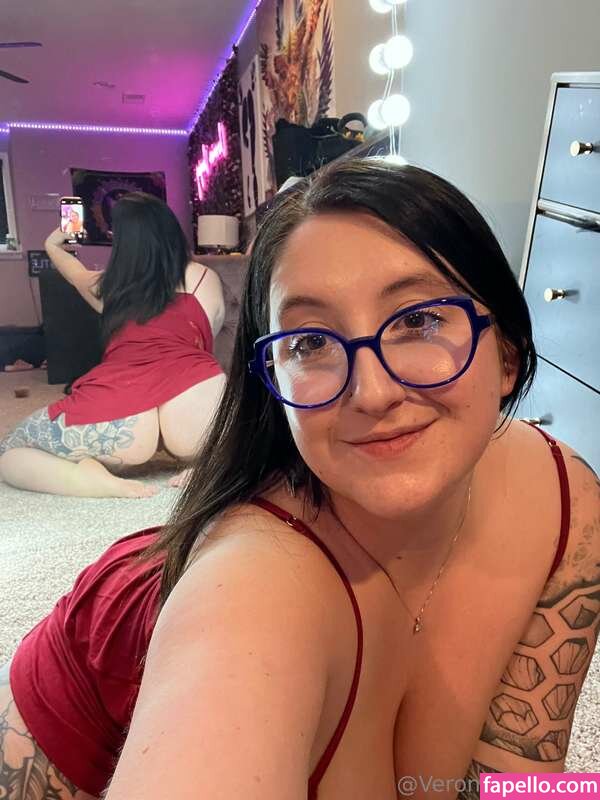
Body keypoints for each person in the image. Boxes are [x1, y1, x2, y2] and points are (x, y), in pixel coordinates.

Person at [1, 158, 599, 799]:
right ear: (273, 382)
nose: (372, 392)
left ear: (507, 351)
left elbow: (520, 781)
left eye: (419, 320)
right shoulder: (251, 589)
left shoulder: (568, 501)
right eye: (311, 342)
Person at [0, 192, 226, 497]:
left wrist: (54, 242)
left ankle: (84, 478)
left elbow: (70, 268)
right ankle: (215, 465)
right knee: (260, 433)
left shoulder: (107, 286)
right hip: (196, 407)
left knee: (11, 453)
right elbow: (207, 336)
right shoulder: (204, 277)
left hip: (122, 413)